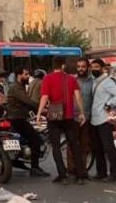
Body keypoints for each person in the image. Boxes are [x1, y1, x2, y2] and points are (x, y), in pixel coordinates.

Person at [36, 56, 87, 184]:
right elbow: (78, 97)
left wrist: (38, 113)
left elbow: (44, 97)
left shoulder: (47, 78)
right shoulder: (71, 79)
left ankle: (62, 175)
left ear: (53, 66)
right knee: (74, 145)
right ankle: (80, 176)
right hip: (69, 117)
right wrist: (81, 113)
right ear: (63, 66)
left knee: (56, 147)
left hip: (54, 117)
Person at [6, 67, 49, 177]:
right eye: (25, 74)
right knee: (36, 140)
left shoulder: (21, 86)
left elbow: (25, 104)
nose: (28, 76)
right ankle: (34, 168)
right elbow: (28, 101)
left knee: (31, 138)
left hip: (20, 117)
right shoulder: (16, 88)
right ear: (18, 75)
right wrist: (42, 109)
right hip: (17, 119)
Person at [89, 58, 116, 181]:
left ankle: (114, 174)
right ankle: (101, 173)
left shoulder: (108, 81)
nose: (94, 69)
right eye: (93, 67)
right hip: (94, 119)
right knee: (97, 148)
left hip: (104, 119)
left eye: (97, 67)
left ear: (102, 68)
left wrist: (109, 104)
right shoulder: (94, 81)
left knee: (108, 148)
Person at [68, 58, 95, 177]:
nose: (80, 69)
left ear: (88, 67)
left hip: (88, 117)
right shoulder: (71, 80)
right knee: (71, 144)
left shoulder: (93, 81)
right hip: (72, 117)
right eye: (78, 66)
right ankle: (72, 169)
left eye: (83, 67)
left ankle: (82, 170)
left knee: (85, 146)